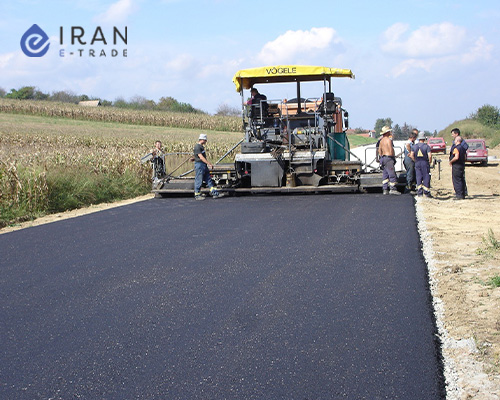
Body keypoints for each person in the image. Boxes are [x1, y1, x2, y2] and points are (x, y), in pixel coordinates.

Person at [193, 133, 222, 200]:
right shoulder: (197, 147)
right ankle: (197, 194)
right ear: (202, 140)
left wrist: (194, 158)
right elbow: (201, 157)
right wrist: (209, 163)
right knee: (199, 179)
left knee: (208, 179)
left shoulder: (201, 147)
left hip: (203, 165)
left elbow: (198, 156)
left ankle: (214, 193)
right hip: (200, 165)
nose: (206, 141)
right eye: (205, 140)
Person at [378, 126, 401, 195]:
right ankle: (393, 189)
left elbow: (379, 151)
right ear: (387, 132)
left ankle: (385, 189)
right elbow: (391, 150)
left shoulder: (381, 141)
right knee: (392, 174)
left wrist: (381, 158)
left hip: (383, 158)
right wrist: (393, 158)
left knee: (385, 174)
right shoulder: (389, 140)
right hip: (389, 158)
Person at [411, 131, 433, 198]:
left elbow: (412, 155)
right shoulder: (426, 147)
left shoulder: (414, 146)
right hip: (424, 162)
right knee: (426, 176)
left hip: (417, 162)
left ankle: (419, 192)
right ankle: (426, 192)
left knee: (418, 176)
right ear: (424, 139)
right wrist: (430, 162)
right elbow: (430, 156)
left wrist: (415, 160)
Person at [450, 128, 468, 196]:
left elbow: (459, 155)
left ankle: (461, 193)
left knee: (459, 179)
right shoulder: (456, 143)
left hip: (458, 164)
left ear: (456, 134)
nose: (452, 135)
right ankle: (461, 192)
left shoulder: (461, 144)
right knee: (459, 178)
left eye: (453, 134)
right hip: (459, 163)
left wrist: (451, 161)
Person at [404, 129, 418, 193]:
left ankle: (412, 186)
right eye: (415, 138)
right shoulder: (409, 143)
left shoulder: (411, 143)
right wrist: (410, 153)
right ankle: (408, 188)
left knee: (411, 173)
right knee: (410, 173)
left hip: (409, 160)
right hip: (409, 160)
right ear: (412, 137)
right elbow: (408, 146)